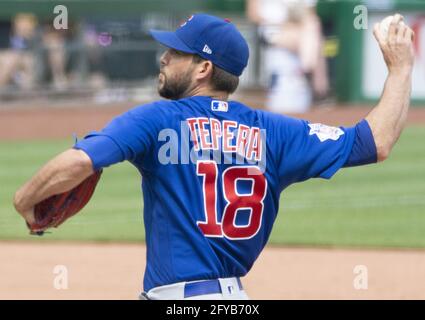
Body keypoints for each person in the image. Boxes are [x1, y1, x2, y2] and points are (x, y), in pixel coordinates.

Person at [13, 13, 414, 300]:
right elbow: (375, 142)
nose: (164, 58)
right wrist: (400, 69)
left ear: (203, 67)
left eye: (176, 53)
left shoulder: (156, 119)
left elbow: (81, 161)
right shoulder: (275, 132)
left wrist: (24, 202)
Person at [247, 0, 329, 113]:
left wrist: (296, 19)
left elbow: (310, 14)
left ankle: (309, 73)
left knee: (313, 26)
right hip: (272, 29)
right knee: (312, 37)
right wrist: (282, 22)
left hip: (295, 30)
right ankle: (317, 84)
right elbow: (253, 15)